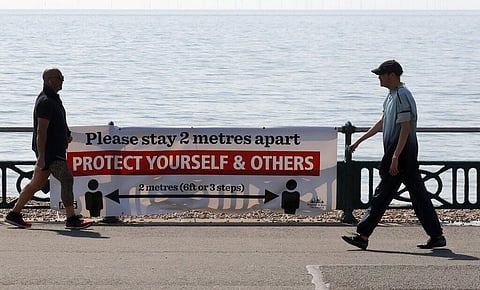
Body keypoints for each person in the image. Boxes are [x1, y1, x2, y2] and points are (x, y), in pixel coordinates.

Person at [341, 60, 445, 250]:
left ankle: (362, 235)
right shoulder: (391, 96)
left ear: (392, 75)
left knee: (382, 194)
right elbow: (382, 122)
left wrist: (396, 157)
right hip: (400, 152)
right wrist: (359, 141)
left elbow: (405, 128)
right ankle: (436, 235)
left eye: (381, 74)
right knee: (418, 195)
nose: (379, 78)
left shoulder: (402, 96)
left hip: (401, 153)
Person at [5, 68, 93, 230]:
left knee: (35, 184)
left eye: (62, 78)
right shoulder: (45, 101)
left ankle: (14, 214)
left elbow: (57, 122)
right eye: (59, 78)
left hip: (53, 150)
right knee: (67, 179)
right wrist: (42, 156)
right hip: (51, 153)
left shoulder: (53, 100)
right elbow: (41, 130)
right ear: (48, 80)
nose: (62, 81)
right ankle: (71, 218)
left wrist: (65, 134)